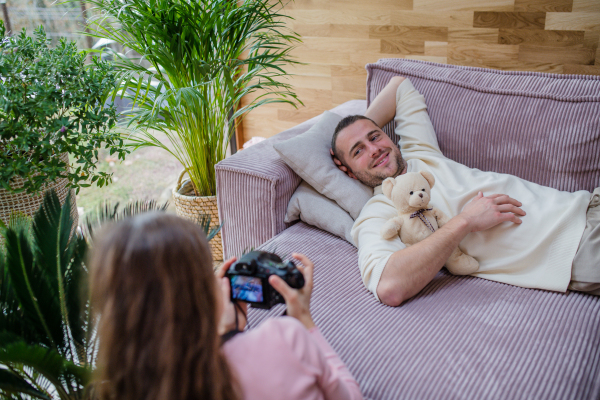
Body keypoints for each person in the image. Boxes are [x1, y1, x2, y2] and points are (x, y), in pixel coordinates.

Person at [330, 76, 600, 307]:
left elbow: (400, 86)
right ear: (349, 172)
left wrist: (352, 127)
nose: (374, 149)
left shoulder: (419, 152)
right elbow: (388, 285)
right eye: (358, 151)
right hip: (575, 247)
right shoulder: (379, 212)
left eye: (375, 136)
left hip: (587, 203)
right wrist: (465, 221)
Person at [89, 212, 363, 400]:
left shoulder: (124, 388)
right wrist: (304, 321)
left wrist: (228, 334)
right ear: (198, 290)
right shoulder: (283, 338)